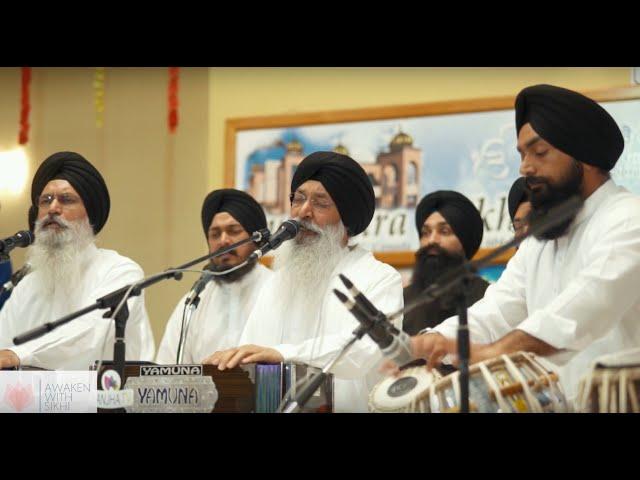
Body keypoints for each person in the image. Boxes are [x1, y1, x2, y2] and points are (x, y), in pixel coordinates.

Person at [404, 84, 640, 406]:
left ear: (582, 156)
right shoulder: (542, 239)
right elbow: (495, 310)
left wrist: (496, 352)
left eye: (539, 152)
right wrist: (433, 341)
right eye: (522, 154)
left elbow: (584, 307)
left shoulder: (628, 219)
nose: (525, 168)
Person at [203, 151, 404, 412]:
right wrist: (227, 364)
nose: (303, 212)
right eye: (298, 200)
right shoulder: (277, 283)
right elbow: (252, 354)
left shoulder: (379, 278)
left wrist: (283, 355)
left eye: (320, 203)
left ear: (347, 218)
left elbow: (365, 350)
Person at [0, 151, 155, 370]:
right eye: (45, 201)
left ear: (89, 215)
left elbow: (91, 334)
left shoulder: (120, 271)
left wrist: (19, 354)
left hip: (108, 400)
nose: (53, 208)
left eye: (66, 199)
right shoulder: (26, 288)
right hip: (29, 403)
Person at [156, 189, 272, 364]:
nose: (223, 241)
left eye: (234, 231)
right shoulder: (193, 302)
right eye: (215, 234)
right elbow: (167, 370)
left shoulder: (277, 289)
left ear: (256, 240)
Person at [402, 190, 489, 336]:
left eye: (444, 231)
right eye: (425, 232)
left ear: (464, 241)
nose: (432, 240)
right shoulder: (403, 300)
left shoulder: (487, 297)